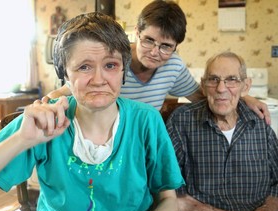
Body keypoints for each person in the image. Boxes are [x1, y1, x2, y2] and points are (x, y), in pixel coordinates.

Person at [0, 12, 184, 211]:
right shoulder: (47, 119)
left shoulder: (146, 120)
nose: (98, 79)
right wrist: (21, 139)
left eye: (110, 65)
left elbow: (169, 200)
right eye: (84, 67)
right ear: (64, 73)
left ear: (123, 71)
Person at [43, 0, 271, 124]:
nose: (154, 52)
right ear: (137, 32)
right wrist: (47, 102)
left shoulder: (174, 67)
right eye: (148, 40)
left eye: (165, 46)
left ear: (175, 47)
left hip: (139, 144)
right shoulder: (113, 61)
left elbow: (205, 96)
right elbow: (67, 90)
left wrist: (243, 96)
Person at [166, 51, 278, 211]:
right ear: (203, 86)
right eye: (213, 79)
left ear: (245, 86)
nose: (221, 88)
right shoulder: (182, 120)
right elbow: (169, 186)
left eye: (232, 80)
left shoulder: (260, 121)